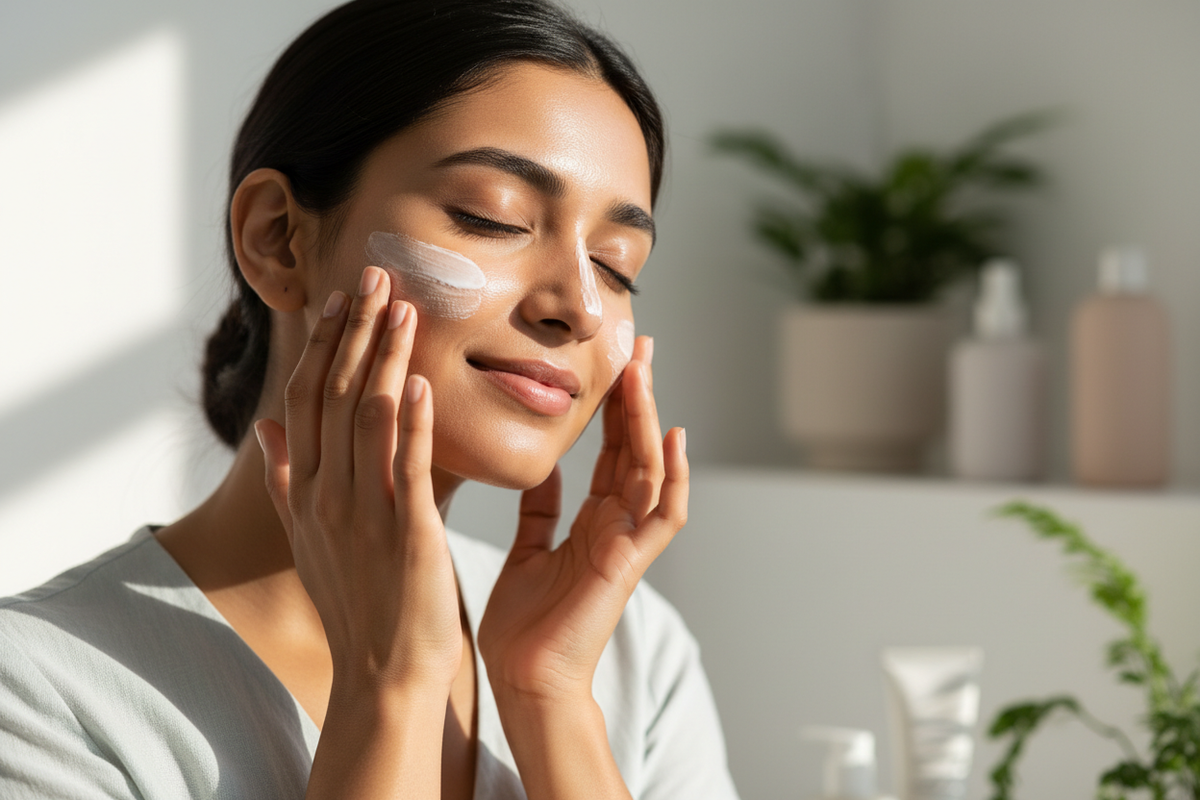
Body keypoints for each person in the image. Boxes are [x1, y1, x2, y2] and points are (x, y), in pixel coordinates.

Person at [0, 1, 739, 798]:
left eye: (618, 263)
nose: (582, 306)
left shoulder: (628, 654)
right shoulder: (41, 691)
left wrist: (549, 698)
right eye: (491, 217)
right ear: (276, 238)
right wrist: (392, 686)